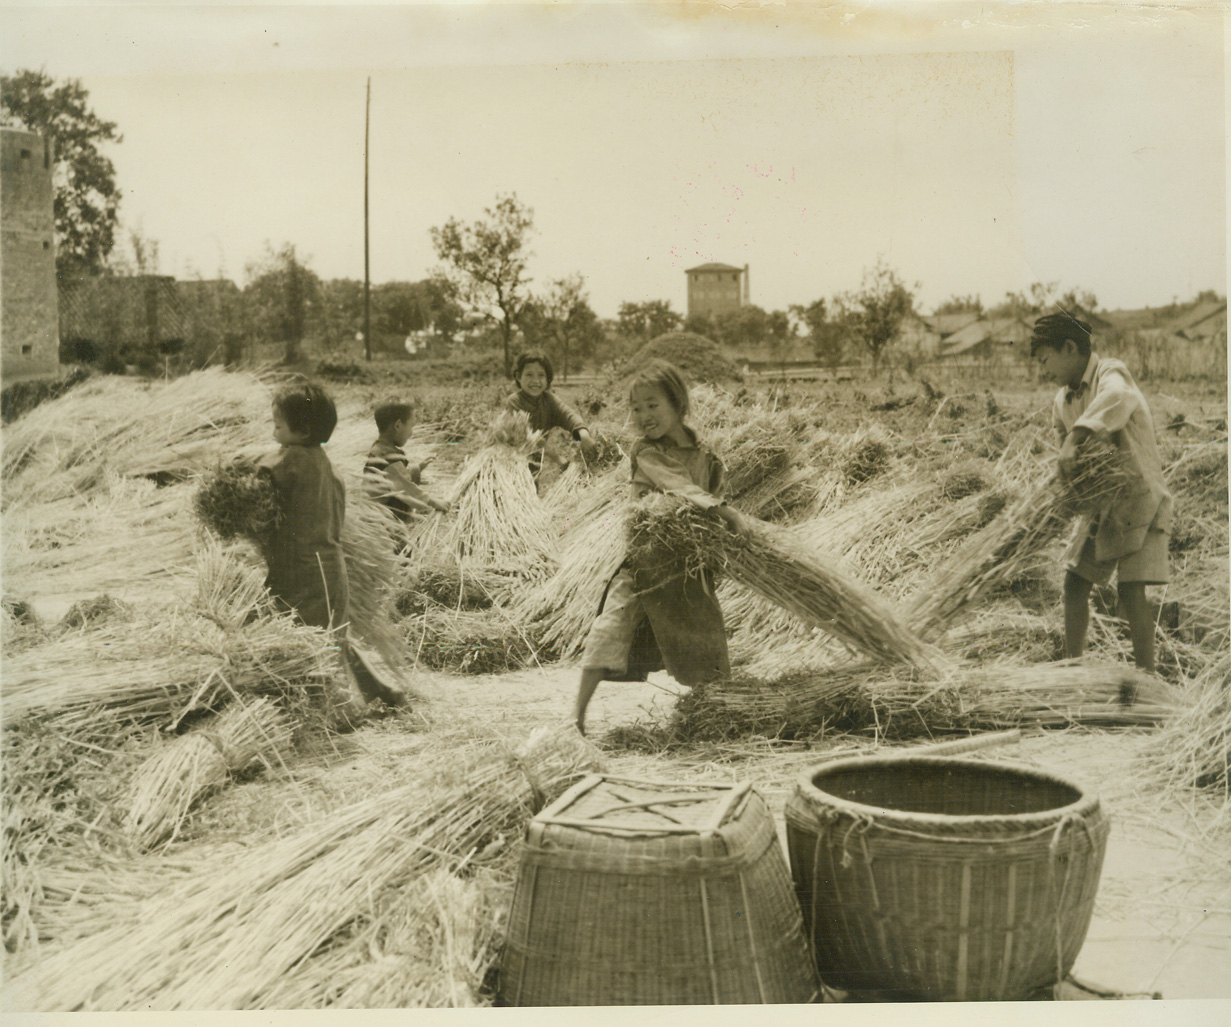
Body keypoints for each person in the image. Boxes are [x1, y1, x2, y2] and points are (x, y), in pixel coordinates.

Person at [572, 360, 751, 734]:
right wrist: (724, 512)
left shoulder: (706, 455)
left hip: (686, 565)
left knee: (707, 640)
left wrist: (721, 522)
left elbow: (712, 489)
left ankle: (715, 712)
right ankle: (577, 718)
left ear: (678, 404)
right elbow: (679, 486)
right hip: (645, 563)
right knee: (610, 630)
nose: (644, 416)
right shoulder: (646, 452)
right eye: (636, 408)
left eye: (653, 405)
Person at [1031, 312, 1173, 673]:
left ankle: (1146, 679)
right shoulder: (1062, 400)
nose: (1043, 370)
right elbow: (1065, 448)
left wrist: (1077, 437)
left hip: (1141, 500)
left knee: (1131, 593)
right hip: (1103, 508)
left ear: (1070, 348)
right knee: (1075, 582)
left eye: (1046, 360)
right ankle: (1072, 668)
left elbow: (1117, 398)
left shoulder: (1112, 373)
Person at [259, 381, 350, 631]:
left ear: (304, 432)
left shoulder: (294, 458)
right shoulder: (328, 465)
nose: (273, 433)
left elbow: (259, 467)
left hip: (302, 573)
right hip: (331, 572)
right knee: (327, 640)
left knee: (294, 637)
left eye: (278, 426)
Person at [505, 352, 598, 468]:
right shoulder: (515, 401)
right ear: (518, 377)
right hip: (514, 457)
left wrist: (584, 435)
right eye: (529, 375)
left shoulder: (549, 400)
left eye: (541, 375)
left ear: (548, 379)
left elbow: (568, 415)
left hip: (538, 457)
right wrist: (557, 458)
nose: (536, 380)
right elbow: (529, 436)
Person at [364, 401, 450, 523]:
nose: (411, 432)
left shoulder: (378, 449)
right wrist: (434, 502)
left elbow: (394, 476)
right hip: (385, 520)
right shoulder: (388, 456)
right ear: (398, 425)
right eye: (411, 426)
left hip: (375, 512)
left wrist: (418, 468)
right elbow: (406, 488)